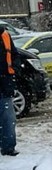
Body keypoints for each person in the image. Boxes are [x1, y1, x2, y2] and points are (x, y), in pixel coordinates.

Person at [0, 24, 19, 156]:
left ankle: (8, 148)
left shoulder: (5, 35)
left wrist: (13, 72)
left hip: (5, 84)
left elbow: (14, 55)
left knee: (8, 118)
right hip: (5, 83)